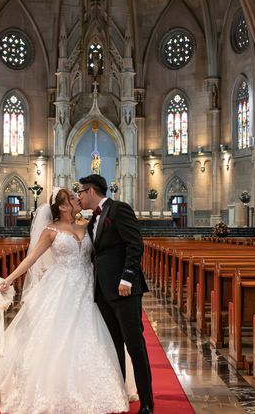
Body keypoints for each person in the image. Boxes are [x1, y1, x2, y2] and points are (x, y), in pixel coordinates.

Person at [0, 188, 133, 413]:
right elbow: (31, 259)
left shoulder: (85, 226)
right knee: (57, 336)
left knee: (93, 334)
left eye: (78, 196)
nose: (78, 199)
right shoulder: (50, 231)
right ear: (63, 206)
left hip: (88, 287)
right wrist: (8, 279)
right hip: (61, 286)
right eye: (73, 199)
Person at [79, 173, 154, 414]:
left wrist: (127, 278)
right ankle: (119, 393)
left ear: (90, 191)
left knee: (135, 345)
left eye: (80, 192)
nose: (78, 196)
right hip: (102, 292)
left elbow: (135, 244)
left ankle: (147, 402)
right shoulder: (92, 222)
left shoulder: (119, 209)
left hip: (124, 290)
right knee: (113, 346)